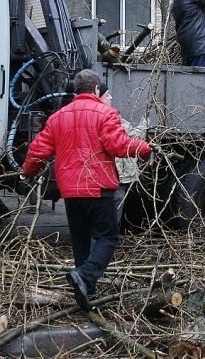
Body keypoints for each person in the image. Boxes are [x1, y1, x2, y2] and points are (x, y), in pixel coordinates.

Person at [21, 69, 157, 311]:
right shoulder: (106, 113)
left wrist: (28, 172)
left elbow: (37, 150)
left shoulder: (58, 117)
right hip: (99, 187)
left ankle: (85, 290)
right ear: (96, 90)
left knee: (80, 241)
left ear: (76, 90)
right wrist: (144, 148)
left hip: (71, 192)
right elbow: (118, 145)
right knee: (108, 238)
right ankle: (85, 276)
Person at [98, 83, 148, 226]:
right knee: (115, 207)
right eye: (107, 94)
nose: (111, 97)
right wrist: (145, 123)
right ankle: (108, 241)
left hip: (107, 175)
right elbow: (133, 138)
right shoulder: (111, 118)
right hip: (117, 175)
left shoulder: (97, 116)